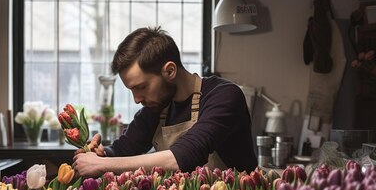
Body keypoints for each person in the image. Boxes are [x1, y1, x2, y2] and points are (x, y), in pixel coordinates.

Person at [73, 26, 256, 178]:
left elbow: (183, 157)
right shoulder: (156, 108)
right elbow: (123, 150)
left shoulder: (224, 96)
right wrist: (101, 153)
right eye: (132, 90)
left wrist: (102, 165)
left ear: (169, 71)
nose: (137, 99)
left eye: (141, 87)